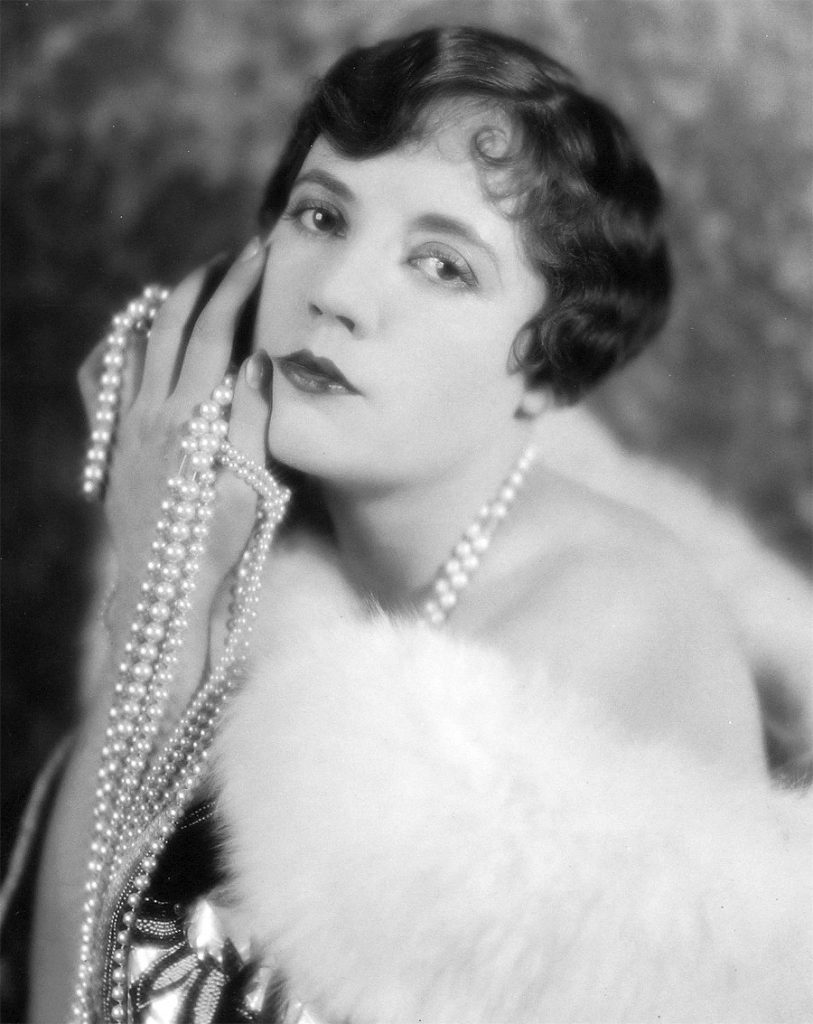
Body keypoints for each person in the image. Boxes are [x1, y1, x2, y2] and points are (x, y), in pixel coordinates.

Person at [23, 24, 811, 1024]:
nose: (336, 294)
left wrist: (158, 606)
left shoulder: (606, 620)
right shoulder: (257, 530)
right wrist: (162, 570)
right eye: (320, 215)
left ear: (545, 369)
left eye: (442, 265)